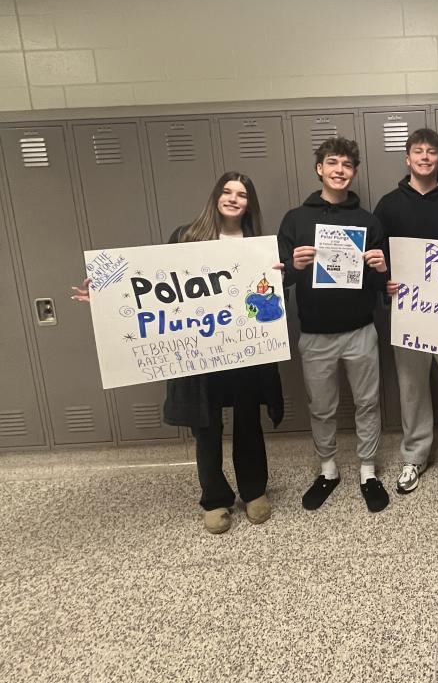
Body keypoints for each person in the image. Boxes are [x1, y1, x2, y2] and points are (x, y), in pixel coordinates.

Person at [72, 172, 284, 536]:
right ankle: (215, 499)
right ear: (215, 196)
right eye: (227, 192)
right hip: (200, 355)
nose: (233, 199)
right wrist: (106, 296)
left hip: (244, 351)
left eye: (242, 194)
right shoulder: (186, 237)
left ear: (250, 204)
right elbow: (155, 286)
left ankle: (253, 492)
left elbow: (269, 298)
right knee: (207, 427)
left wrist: (280, 276)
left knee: (249, 421)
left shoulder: (258, 245)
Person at [277, 136, 390, 514]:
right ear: (319, 168)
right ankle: (328, 470)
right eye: (332, 163)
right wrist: (294, 266)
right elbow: (276, 280)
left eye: (346, 164)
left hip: (360, 331)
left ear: (353, 172)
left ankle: (368, 471)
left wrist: (381, 269)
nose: (339, 170)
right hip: (314, 334)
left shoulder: (368, 221)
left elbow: (381, 284)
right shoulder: (296, 219)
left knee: (368, 403)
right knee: (322, 408)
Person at [375, 128, 438, 493]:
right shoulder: (388, 205)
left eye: (431, 152)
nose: (425, 157)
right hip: (409, 311)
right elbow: (376, 256)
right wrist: (384, 282)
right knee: (412, 386)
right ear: (408, 159)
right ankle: (415, 454)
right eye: (418, 151)